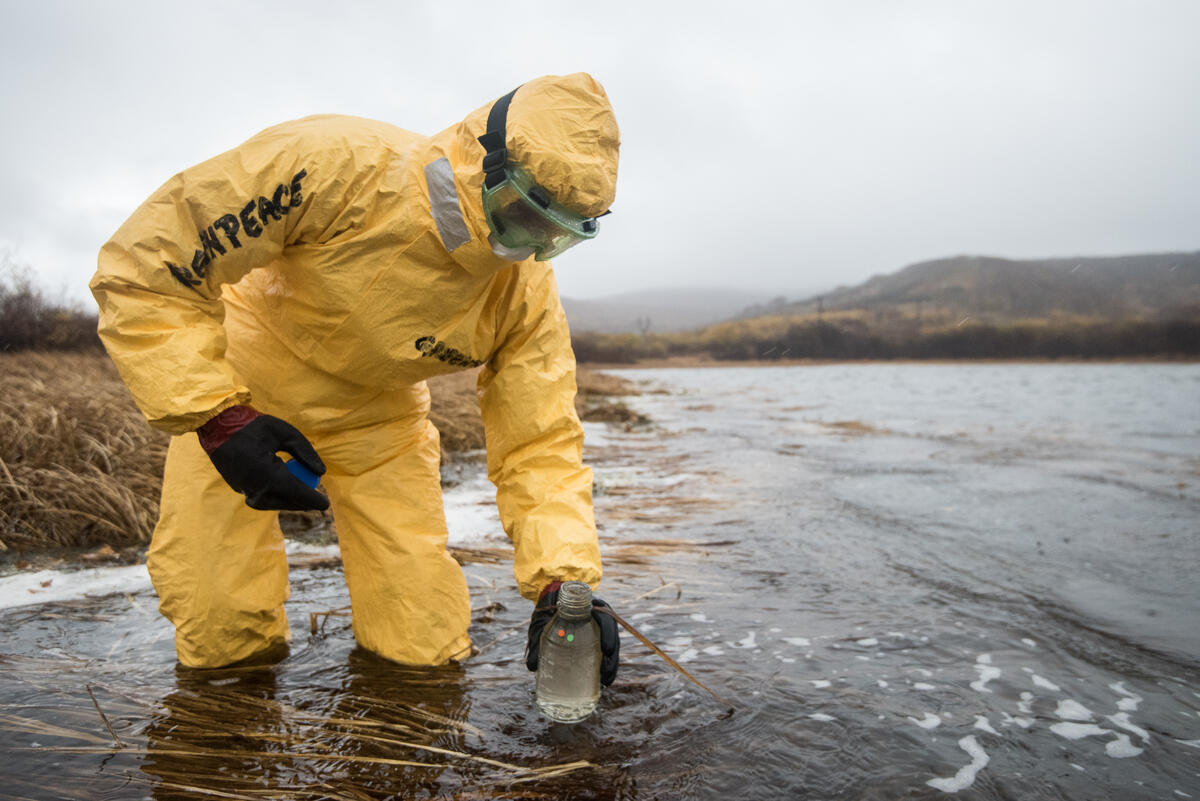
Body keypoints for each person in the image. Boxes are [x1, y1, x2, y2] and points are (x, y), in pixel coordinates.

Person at [90, 73, 619, 686]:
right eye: (523, 216)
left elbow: (539, 441)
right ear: (484, 163)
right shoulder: (332, 165)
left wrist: (562, 580)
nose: (528, 246)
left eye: (556, 236)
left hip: (381, 427)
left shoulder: (523, 294)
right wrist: (219, 418)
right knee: (220, 623)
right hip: (242, 397)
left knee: (421, 642)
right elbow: (148, 267)